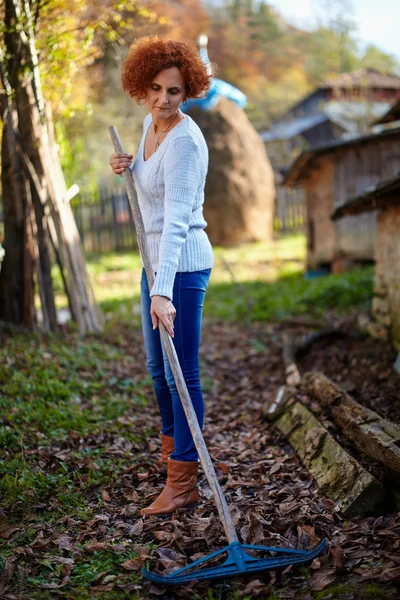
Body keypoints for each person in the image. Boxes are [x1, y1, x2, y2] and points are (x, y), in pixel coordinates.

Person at [109, 36, 214, 517]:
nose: (163, 100)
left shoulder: (186, 142)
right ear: (142, 87)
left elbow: (175, 223)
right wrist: (127, 168)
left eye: (173, 91)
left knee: (180, 371)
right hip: (153, 263)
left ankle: (185, 479)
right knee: (158, 370)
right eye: (155, 88)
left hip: (182, 266)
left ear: (187, 90)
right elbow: (149, 190)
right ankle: (177, 452)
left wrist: (163, 291)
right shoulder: (148, 127)